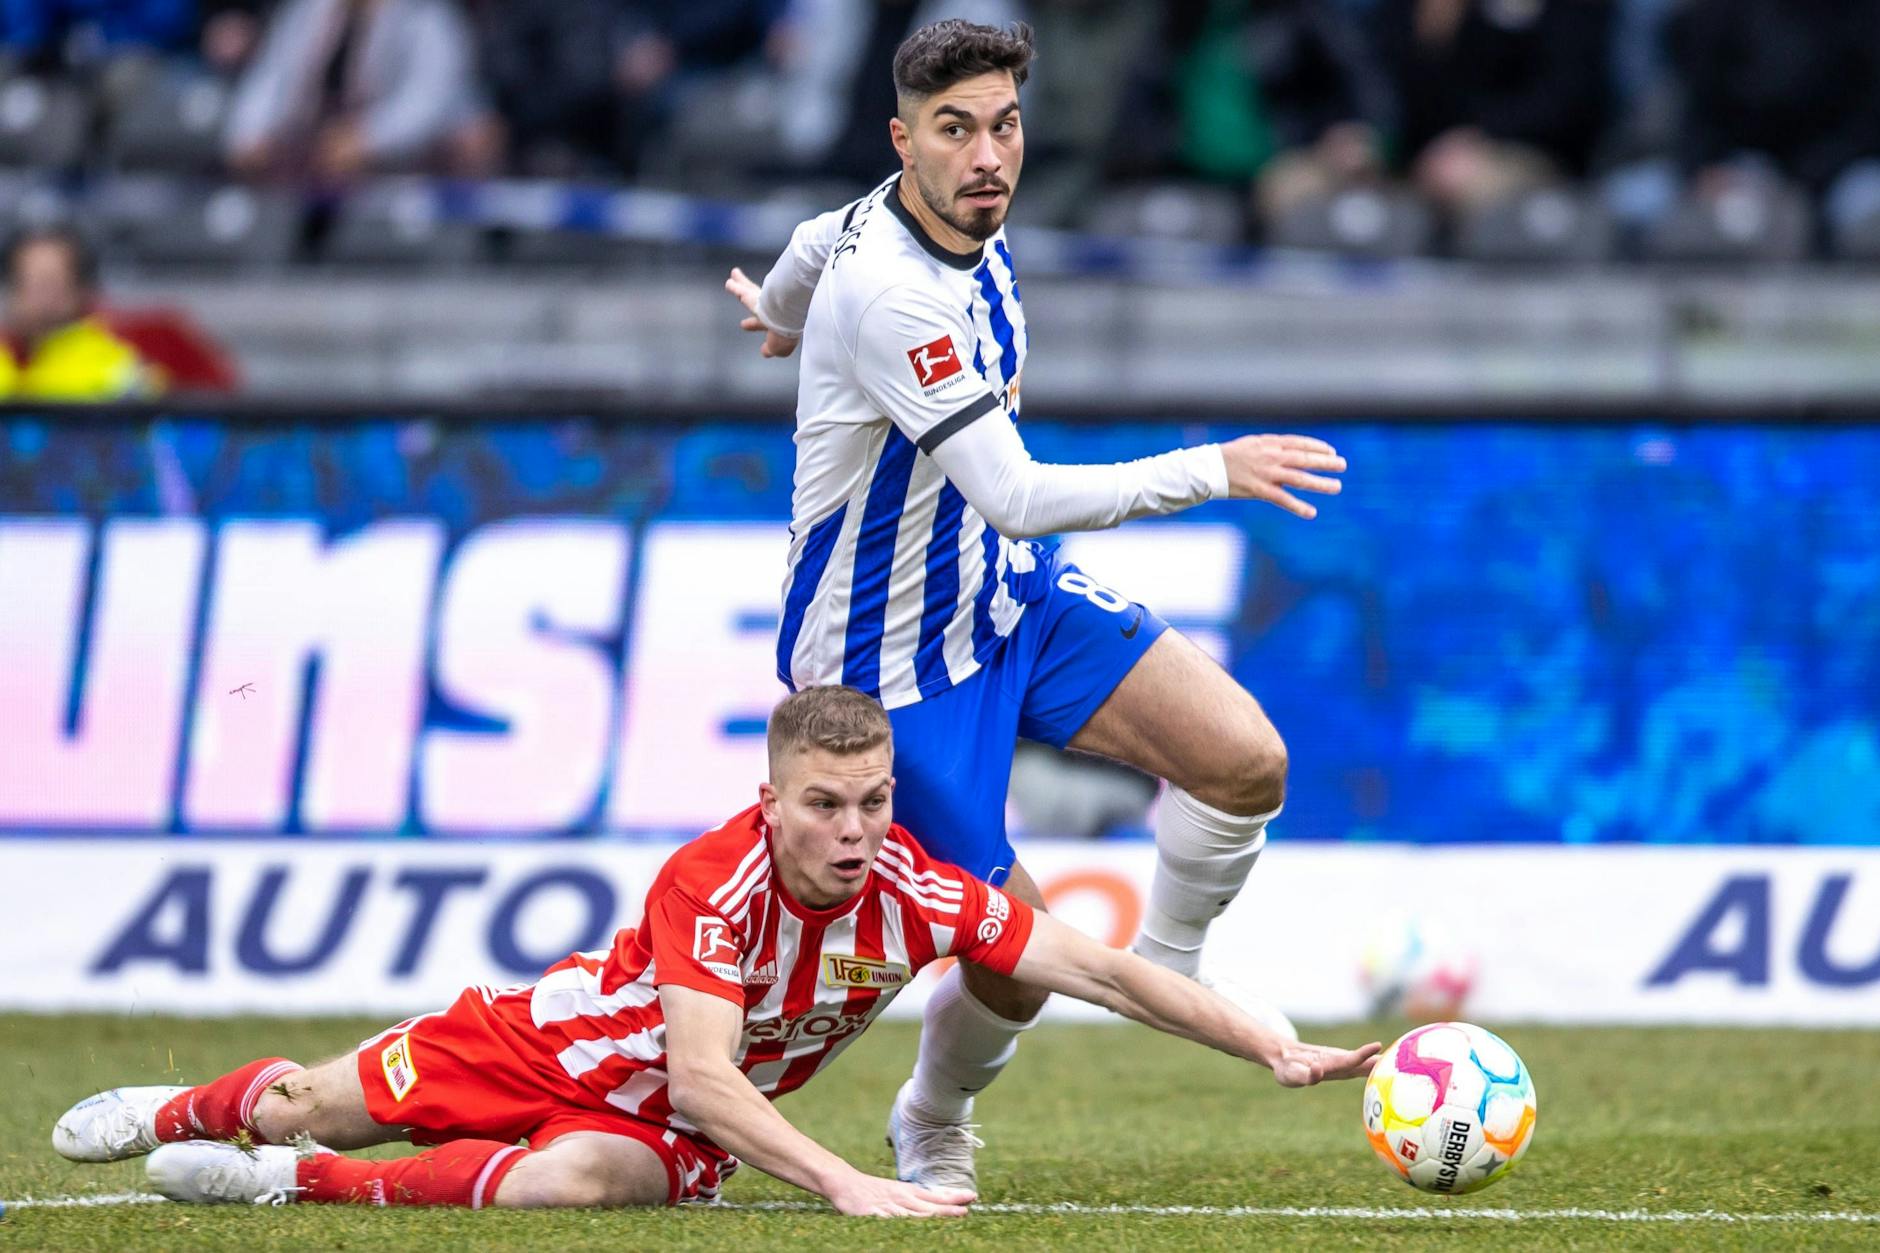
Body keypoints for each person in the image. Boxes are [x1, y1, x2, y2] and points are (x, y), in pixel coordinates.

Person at [722, 18, 1347, 1191]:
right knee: (1013, 963)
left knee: (1243, 759)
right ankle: (931, 1113)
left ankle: (1170, 969)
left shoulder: (900, 218)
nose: (986, 156)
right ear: (903, 139)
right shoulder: (895, 294)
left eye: (1002, 124)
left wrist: (783, 316)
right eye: (954, 131)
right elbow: (1010, 492)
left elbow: (806, 244)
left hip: (1002, 600)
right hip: (885, 667)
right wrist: (1210, 468)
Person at [52, 686, 1379, 1216]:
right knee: (303, 1094)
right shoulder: (713, 880)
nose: (855, 831)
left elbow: (1102, 968)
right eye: (826, 805)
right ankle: (187, 1109)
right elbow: (702, 1073)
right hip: (551, 1040)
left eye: (872, 804)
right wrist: (847, 1184)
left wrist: (1268, 1040)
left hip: (661, 1129)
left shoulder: (915, 888)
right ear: (774, 795)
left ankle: (299, 1190)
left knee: (578, 1186)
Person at [223, 0, 501, 183]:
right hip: (318, 159)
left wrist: (367, 140)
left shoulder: (426, 14)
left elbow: (426, 103)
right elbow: (271, 75)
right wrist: (248, 134)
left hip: (407, 166)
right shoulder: (310, 10)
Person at [0, 226, 154, 401]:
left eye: (50, 282)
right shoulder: (5, 361)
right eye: (27, 280)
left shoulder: (112, 368)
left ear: (80, 288)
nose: (41, 296)